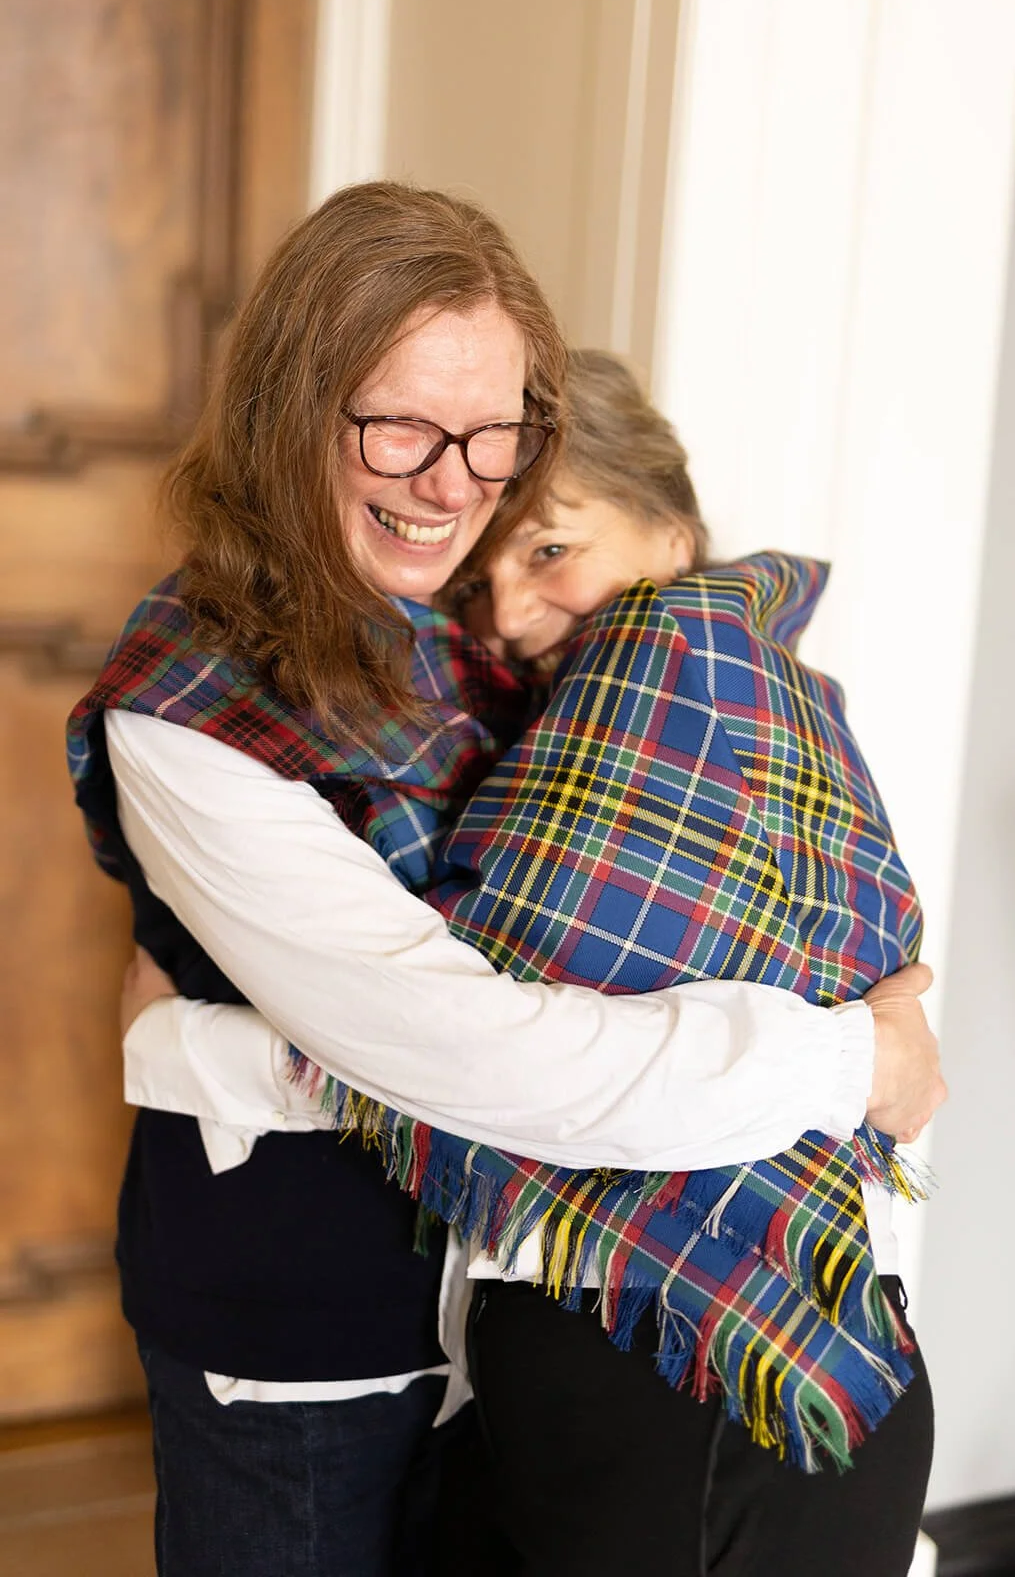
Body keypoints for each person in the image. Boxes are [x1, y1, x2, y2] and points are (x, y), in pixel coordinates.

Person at [68, 187, 943, 1577]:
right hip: (322, 1339)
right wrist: (851, 1062)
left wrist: (206, 1038)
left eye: (493, 436)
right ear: (290, 410)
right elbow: (466, 1041)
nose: (451, 483)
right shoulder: (191, 705)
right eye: (403, 425)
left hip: (550, 1329)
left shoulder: (552, 655)